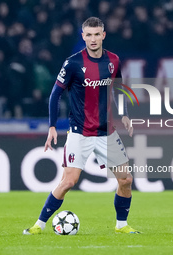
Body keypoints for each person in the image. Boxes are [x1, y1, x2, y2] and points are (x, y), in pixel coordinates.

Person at [23, 17, 139, 235]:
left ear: (103, 35)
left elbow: (119, 88)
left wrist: (124, 114)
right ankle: (38, 225)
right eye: (88, 35)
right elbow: (55, 94)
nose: (93, 39)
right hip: (80, 132)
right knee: (69, 181)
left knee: (126, 179)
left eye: (97, 34)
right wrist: (51, 126)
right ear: (83, 36)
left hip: (107, 132)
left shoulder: (113, 60)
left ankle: (121, 225)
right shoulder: (73, 63)